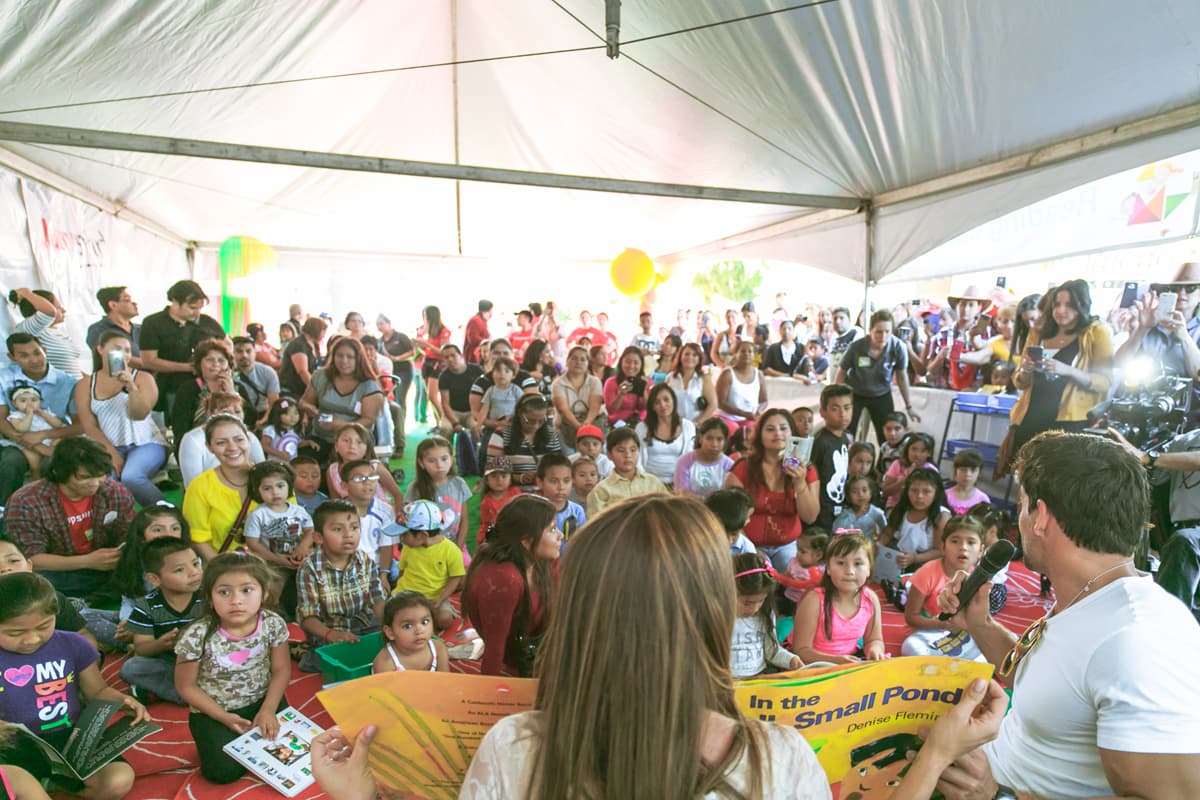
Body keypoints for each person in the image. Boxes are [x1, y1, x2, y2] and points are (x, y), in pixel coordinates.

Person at [313, 496, 1010, 800]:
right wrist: (937, 755)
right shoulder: (775, 760)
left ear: (579, 616)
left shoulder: (517, 749)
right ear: (712, 615)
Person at [934, 432, 1200, 799]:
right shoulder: (1092, 594)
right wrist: (980, 623)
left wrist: (998, 796)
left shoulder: (1138, 638)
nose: (1019, 520)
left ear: (1040, 516)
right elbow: (1048, 678)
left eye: (1022, 505)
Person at [0, 572, 147, 800]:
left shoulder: (72, 644)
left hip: (69, 740)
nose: (32, 639)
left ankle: (50, 786)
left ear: (56, 615)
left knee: (117, 779)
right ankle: (41, 786)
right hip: (10, 747)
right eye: (15, 633)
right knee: (14, 783)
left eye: (43, 626)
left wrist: (123, 701)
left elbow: (97, 691)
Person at [175, 551, 291, 784]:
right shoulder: (197, 635)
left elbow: (281, 669)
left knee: (291, 751)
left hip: (264, 700)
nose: (236, 600)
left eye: (247, 590)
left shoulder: (272, 623)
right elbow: (186, 687)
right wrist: (224, 717)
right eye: (224, 592)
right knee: (223, 773)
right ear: (209, 598)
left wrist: (268, 709)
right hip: (214, 712)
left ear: (264, 593)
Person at [6, 436, 135, 598]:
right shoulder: (26, 501)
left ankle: (89, 596)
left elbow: (129, 534)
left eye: (101, 475)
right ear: (59, 472)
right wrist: (88, 561)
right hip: (58, 570)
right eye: (84, 477)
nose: (95, 483)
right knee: (32, 581)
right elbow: (31, 558)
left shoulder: (114, 491)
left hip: (105, 566)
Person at [1008, 279, 1113, 456]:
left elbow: (1104, 382)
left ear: (1082, 306)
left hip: (1071, 422)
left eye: (1069, 305)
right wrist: (1026, 369)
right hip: (1031, 416)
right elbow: (1019, 382)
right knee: (1024, 467)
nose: (1061, 310)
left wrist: (1068, 370)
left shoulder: (1096, 332)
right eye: (1057, 304)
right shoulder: (1038, 331)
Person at [463, 494, 560, 676]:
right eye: (552, 529)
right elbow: (495, 647)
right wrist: (488, 690)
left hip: (542, 645)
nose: (560, 535)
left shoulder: (548, 560)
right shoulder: (503, 579)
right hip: (518, 658)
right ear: (526, 540)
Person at [74, 330, 168, 506]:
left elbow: (139, 414)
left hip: (146, 443)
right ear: (100, 349)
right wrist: (111, 452)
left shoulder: (143, 378)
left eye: (127, 350)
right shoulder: (85, 384)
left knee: (131, 477)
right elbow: (89, 426)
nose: (123, 354)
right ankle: (117, 519)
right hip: (107, 446)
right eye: (117, 349)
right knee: (105, 482)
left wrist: (131, 387)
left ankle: (165, 512)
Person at [722, 409, 820, 572]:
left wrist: (799, 483)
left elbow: (810, 517)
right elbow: (729, 516)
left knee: (795, 571)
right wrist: (750, 549)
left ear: (792, 433)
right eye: (770, 429)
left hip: (788, 545)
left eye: (783, 428)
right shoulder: (743, 468)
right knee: (756, 569)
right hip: (746, 542)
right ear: (759, 435)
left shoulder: (806, 469)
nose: (778, 433)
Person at [296, 500, 387, 673]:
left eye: (354, 528)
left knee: (391, 645)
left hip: (364, 624)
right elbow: (308, 618)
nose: (348, 535)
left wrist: (388, 625)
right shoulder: (309, 569)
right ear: (318, 538)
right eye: (338, 529)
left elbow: (377, 600)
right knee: (330, 663)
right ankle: (302, 652)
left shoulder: (365, 560)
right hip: (328, 631)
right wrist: (331, 635)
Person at [119, 537, 203, 705]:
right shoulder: (146, 606)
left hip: (209, 661)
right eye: (179, 570)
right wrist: (162, 644)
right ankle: (189, 695)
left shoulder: (209, 596)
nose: (194, 572)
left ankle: (187, 693)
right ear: (154, 579)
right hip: (171, 663)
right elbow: (142, 648)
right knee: (132, 667)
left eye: (195, 564)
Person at [0, 333, 80, 503]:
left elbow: (80, 425)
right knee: (10, 460)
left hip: (54, 437)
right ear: (12, 357)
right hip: (16, 439)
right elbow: (1, 419)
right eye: (24, 355)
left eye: (37, 352)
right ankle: (5, 510)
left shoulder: (68, 382)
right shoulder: (3, 377)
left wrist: (43, 436)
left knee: (59, 459)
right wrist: (31, 443)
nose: (34, 360)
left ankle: (56, 509)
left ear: (44, 350)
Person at [899, 515, 987, 662]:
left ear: (981, 550)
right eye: (955, 541)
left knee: (990, 651)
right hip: (927, 635)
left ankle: (951, 667)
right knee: (912, 647)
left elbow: (979, 621)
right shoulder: (926, 573)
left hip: (960, 636)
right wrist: (942, 624)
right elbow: (911, 617)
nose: (963, 547)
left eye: (971, 542)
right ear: (943, 546)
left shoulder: (978, 578)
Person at [792, 531, 885, 664]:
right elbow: (801, 650)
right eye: (841, 563)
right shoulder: (814, 600)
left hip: (850, 662)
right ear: (828, 568)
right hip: (815, 665)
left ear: (869, 568)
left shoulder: (870, 599)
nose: (849, 571)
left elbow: (874, 640)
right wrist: (836, 661)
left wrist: (874, 650)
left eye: (858, 564)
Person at [139, 280, 225, 416]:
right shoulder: (153, 323)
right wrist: (188, 367)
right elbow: (149, 361)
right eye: (192, 308)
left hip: (207, 386)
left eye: (199, 308)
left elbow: (226, 344)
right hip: (172, 387)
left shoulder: (206, 322)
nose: (196, 313)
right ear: (174, 301)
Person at [835, 310, 920, 443]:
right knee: (846, 433)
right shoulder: (856, 347)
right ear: (870, 331)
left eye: (887, 332)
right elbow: (841, 372)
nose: (883, 336)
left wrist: (909, 406)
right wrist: (837, 399)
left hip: (882, 394)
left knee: (886, 437)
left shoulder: (898, 347)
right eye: (879, 332)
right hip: (855, 393)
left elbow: (902, 377)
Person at [182, 415, 258, 560]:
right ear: (209, 447)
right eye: (221, 442)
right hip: (222, 565)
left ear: (249, 440)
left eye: (239, 439)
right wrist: (224, 569)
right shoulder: (200, 487)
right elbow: (198, 538)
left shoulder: (274, 477)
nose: (232, 447)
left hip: (273, 566)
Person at [243, 461, 314, 616]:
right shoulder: (258, 515)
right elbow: (252, 542)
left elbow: (310, 530)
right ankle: (273, 617)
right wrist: (277, 559)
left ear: (289, 487)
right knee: (273, 593)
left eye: (280, 486)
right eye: (267, 488)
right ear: (257, 491)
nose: (275, 492)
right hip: (271, 563)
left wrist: (303, 547)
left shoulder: (298, 510)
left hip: (298, 559)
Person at [300, 336, 384, 463]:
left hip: (354, 441)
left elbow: (369, 419)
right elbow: (304, 402)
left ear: (359, 359)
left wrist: (342, 425)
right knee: (304, 462)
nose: (344, 361)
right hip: (321, 437)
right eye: (339, 356)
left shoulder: (369, 385)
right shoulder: (321, 376)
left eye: (350, 357)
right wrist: (309, 408)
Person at [393, 499, 465, 632]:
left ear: (422, 535)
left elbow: (455, 577)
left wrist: (441, 598)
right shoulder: (408, 548)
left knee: (444, 619)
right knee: (392, 615)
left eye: (404, 535)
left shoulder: (451, 550)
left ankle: (422, 620)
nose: (401, 539)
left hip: (434, 599)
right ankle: (422, 620)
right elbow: (402, 572)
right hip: (407, 595)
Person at [111, 505, 191, 620]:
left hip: (175, 622)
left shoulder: (191, 563)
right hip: (140, 618)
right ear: (141, 537)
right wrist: (128, 622)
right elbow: (129, 602)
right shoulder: (134, 562)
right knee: (88, 616)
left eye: (175, 528)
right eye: (158, 530)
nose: (168, 534)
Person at [730, 553, 802, 678]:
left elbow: (771, 651)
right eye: (747, 603)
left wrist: (791, 660)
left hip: (759, 678)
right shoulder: (718, 617)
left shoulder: (765, 613)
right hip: (726, 682)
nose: (755, 608)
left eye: (761, 601)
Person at [178, 393, 266, 488]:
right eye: (226, 412)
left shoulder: (250, 437)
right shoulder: (192, 440)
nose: (233, 416)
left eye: (237, 411)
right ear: (209, 413)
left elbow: (263, 472)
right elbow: (192, 483)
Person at [485, 393, 564, 490]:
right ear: (519, 413)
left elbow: (559, 466)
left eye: (541, 421)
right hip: (513, 492)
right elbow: (491, 471)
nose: (536, 426)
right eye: (530, 421)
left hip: (546, 492)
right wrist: (519, 478)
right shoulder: (501, 435)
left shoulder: (551, 434)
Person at [879, 467, 951, 572]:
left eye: (926, 491)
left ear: (936, 493)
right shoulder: (902, 509)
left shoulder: (941, 516)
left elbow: (940, 551)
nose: (919, 496)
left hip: (925, 565)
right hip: (897, 559)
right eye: (914, 490)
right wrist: (879, 545)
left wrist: (915, 558)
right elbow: (887, 534)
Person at [406, 435, 473, 549]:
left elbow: (464, 519)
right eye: (431, 461)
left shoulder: (459, 484)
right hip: (425, 549)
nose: (439, 465)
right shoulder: (415, 489)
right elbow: (409, 525)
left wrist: (458, 548)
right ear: (421, 463)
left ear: (451, 459)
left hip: (454, 546)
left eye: (444, 459)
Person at [168, 339, 236, 449]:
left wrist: (231, 393)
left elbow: (250, 421)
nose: (215, 364)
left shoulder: (237, 387)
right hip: (197, 445)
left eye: (221, 360)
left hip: (233, 443)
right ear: (199, 364)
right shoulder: (188, 389)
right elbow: (180, 427)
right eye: (209, 360)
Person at [585, 427, 667, 516]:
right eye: (621, 450)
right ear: (609, 454)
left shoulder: (654, 483)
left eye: (633, 450)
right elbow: (597, 523)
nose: (628, 455)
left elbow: (667, 512)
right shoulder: (601, 491)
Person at [6, 288, 84, 378]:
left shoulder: (60, 332)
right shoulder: (30, 329)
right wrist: (25, 292)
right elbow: (50, 312)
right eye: (58, 307)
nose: (64, 310)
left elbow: (73, 366)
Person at [926, 286, 992, 389]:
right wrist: (941, 355)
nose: (966, 309)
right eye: (962, 304)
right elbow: (930, 369)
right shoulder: (942, 335)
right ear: (957, 306)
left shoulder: (987, 333)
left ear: (979, 308)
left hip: (976, 390)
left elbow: (988, 360)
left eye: (971, 305)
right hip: (947, 390)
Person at [371, 591, 450, 674]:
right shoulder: (385, 664)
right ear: (390, 633)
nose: (419, 631)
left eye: (425, 622)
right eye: (407, 626)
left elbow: (445, 680)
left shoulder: (438, 649)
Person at [811, 384, 854, 529]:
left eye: (847, 408)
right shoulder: (820, 442)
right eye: (835, 409)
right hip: (821, 515)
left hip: (837, 509)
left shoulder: (844, 437)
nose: (843, 414)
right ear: (822, 412)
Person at [635, 384, 695, 488]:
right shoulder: (642, 428)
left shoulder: (688, 426)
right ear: (652, 407)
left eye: (666, 400)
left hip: (679, 483)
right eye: (657, 402)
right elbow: (637, 459)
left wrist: (679, 483)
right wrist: (647, 482)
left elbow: (690, 459)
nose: (662, 405)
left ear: (673, 401)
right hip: (648, 484)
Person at [550, 346, 604, 449]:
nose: (578, 362)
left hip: (591, 422)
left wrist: (587, 425)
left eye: (583, 359)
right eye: (574, 358)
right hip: (566, 424)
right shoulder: (558, 383)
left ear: (588, 364)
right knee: (570, 457)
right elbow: (563, 409)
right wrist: (579, 427)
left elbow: (595, 407)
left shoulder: (595, 382)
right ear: (567, 361)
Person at [375, 314, 415, 453]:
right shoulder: (379, 341)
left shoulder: (401, 337)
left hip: (403, 371)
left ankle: (401, 432)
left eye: (382, 323)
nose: (380, 327)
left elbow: (412, 352)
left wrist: (396, 358)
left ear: (389, 323)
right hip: (386, 374)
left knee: (400, 400)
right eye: (378, 324)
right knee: (393, 400)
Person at [673, 416, 735, 499]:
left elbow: (730, 496)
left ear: (725, 441)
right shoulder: (684, 461)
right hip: (689, 505)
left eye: (719, 439)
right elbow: (682, 494)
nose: (714, 444)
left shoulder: (730, 465)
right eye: (709, 438)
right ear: (700, 438)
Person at [86, 286, 141, 372]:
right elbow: (113, 358)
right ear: (113, 305)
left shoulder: (142, 329)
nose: (135, 303)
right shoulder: (98, 329)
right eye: (127, 300)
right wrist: (149, 363)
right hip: (118, 378)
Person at [232, 335, 280, 430]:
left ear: (254, 352)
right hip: (236, 417)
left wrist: (263, 421)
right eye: (239, 351)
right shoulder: (227, 373)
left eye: (248, 351)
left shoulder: (268, 372)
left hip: (262, 416)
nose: (244, 355)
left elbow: (274, 403)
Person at [715, 339, 766, 428]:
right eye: (742, 351)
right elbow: (720, 402)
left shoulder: (759, 375)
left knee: (754, 430)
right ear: (735, 354)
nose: (746, 354)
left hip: (749, 418)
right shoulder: (727, 374)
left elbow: (764, 400)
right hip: (727, 417)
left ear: (754, 355)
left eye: (750, 351)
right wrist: (743, 414)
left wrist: (758, 411)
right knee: (735, 429)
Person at [415, 305, 452, 425]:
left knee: (433, 396)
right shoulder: (425, 330)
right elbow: (424, 350)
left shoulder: (443, 331)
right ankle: (437, 423)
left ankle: (445, 422)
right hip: (427, 362)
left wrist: (427, 345)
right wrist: (419, 345)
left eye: (426, 316)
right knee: (430, 396)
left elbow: (444, 351)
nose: (424, 319)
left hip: (438, 364)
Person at [881, 432, 938, 508]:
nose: (917, 454)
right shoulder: (897, 464)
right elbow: (885, 492)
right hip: (895, 506)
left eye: (923, 451)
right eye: (914, 449)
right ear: (907, 449)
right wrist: (906, 479)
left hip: (921, 508)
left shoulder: (932, 470)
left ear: (929, 453)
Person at [666, 342, 717, 425]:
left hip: (696, 425)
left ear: (699, 359)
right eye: (686, 354)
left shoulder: (704, 379)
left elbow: (713, 404)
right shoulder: (670, 377)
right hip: (674, 424)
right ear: (680, 356)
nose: (690, 357)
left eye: (694, 355)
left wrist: (697, 422)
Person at [279, 316, 328, 399]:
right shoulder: (298, 345)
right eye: (323, 331)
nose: (324, 335)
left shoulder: (314, 344)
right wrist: (317, 391)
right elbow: (303, 372)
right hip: (293, 390)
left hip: (304, 389)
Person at [477, 459, 521, 544]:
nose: (499, 480)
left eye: (504, 476)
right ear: (487, 480)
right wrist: (483, 538)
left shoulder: (515, 492)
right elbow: (485, 523)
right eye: (494, 476)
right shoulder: (486, 502)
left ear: (510, 479)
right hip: (497, 536)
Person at [832, 474, 887, 541]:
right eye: (854, 492)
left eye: (864, 490)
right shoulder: (845, 513)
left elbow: (885, 533)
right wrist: (857, 514)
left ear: (870, 493)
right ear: (848, 496)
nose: (860, 494)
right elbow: (836, 531)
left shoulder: (877, 513)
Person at [603, 346, 648, 427]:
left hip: (641, 424)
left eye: (636, 363)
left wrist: (644, 391)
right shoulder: (611, 382)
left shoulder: (647, 382)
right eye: (628, 362)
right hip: (618, 425)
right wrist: (621, 394)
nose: (631, 366)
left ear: (641, 365)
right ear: (621, 362)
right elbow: (611, 410)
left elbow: (650, 408)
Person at [946, 449, 990, 515]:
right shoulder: (946, 496)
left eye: (973, 470)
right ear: (955, 471)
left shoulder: (982, 499)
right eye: (963, 470)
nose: (968, 474)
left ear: (979, 473)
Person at [463, 300, 493, 365]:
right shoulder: (476, 320)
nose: (491, 315)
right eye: (491, 311)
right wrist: (487, 342)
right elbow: (473, 339)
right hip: (473, 357)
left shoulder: (481, 320)